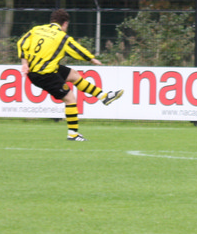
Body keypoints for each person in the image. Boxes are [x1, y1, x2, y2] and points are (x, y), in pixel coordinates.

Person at [17, 9, 123, 141]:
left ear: (52, 20)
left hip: (37, 69)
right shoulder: (62, 37)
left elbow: (21, 43)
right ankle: (73, 134)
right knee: (70, 99)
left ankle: (103, 96)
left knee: (73, 74)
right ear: (65, 23)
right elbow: (77, 49)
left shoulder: (37, 29)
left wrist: (24, 63)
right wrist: (91, 59)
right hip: (45, 74)